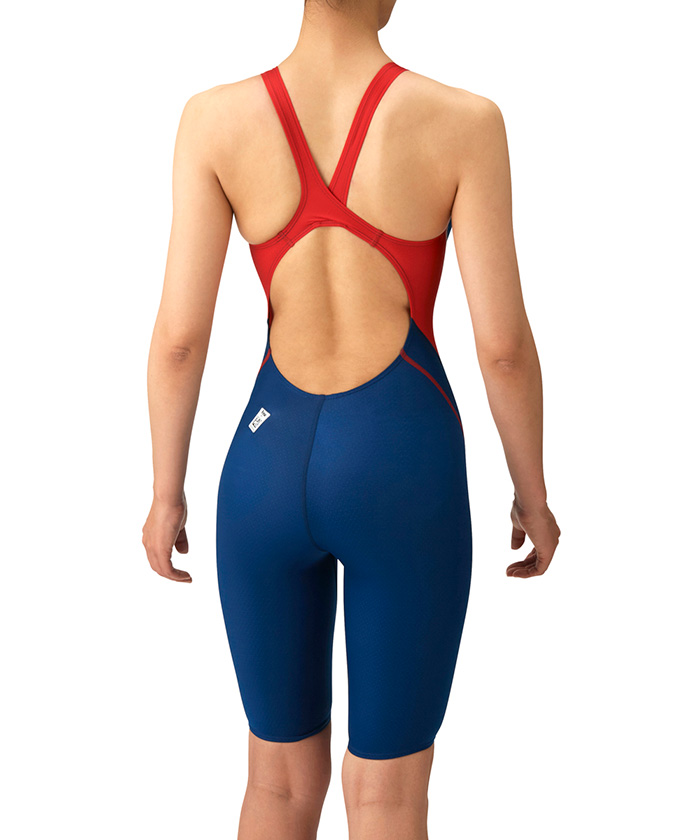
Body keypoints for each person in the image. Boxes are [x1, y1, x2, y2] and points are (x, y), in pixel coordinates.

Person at [142, 0, 561, 836]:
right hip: (402, 459)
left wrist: (165, 492)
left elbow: (180, 340)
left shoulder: (213, 120)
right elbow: (504, 348)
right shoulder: (465, 122)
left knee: (275, 784)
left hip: (263, 466)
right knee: (387, 793)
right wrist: (533, 494)